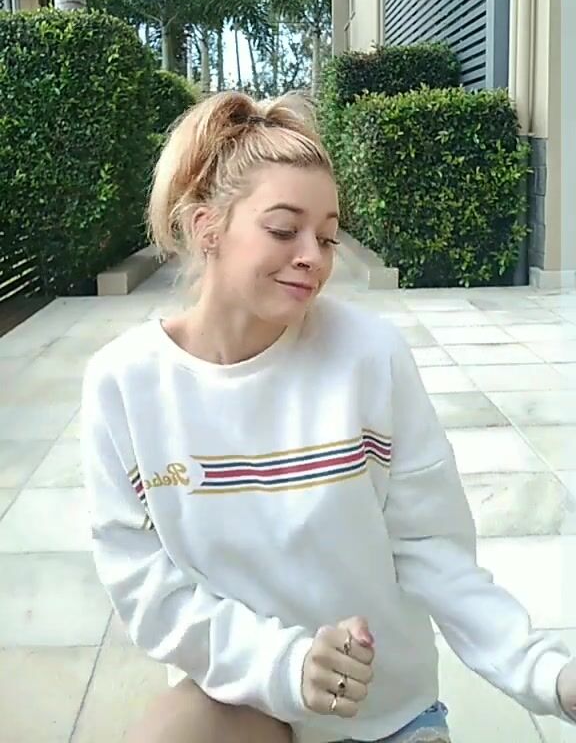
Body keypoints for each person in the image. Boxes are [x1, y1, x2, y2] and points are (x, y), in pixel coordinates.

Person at [82, 90, 576, 743]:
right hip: (248, 701)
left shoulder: (370, 356)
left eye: (327, 236)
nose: (312, 256)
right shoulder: (124, 385)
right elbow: (149, 592)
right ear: (207, 228)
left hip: (386, 715)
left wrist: (550, 676)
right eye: (283, 230)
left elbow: (433, 551)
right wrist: (288, 665)